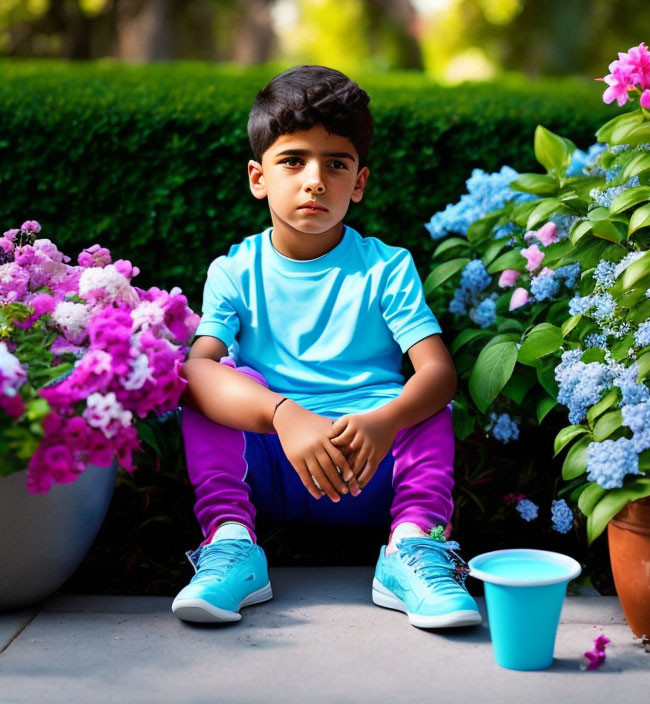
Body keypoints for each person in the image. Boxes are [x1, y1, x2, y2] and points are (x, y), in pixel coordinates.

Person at [171, 65, 481, 629]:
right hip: (274, 462)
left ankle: (414, 548)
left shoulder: (387, 268)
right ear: (258, 176)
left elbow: (438, 373)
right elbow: (197, 369)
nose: (314, 180)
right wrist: (285, 415)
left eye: (335, 164)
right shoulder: (235, 270)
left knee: (426, 401)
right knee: (200, 383)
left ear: (358, 183)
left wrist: (385, 421)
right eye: (293, 161)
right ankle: (231, 544)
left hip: (371, 462)